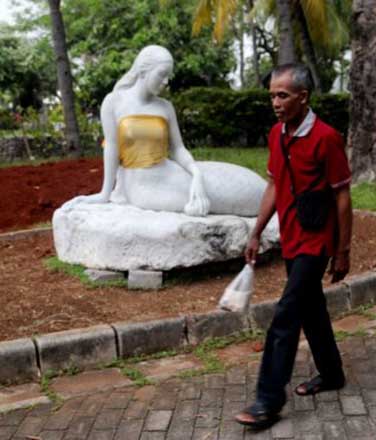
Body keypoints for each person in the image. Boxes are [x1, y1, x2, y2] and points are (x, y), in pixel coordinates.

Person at [234, 63, 353, 429]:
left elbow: (343, 197)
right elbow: (274, 185)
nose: (275, 102)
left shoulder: (326, 137)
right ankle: (332, 374)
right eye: (272, 94)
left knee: (286, 315)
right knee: (311, 308)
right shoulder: (277, 134)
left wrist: (343, 250)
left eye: (282, 95)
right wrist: (256, 232)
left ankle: (268, 399)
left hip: (316, 241)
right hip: (290, 236)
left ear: (303, 97)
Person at [70, 45, 266, 217]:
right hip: (142, 186)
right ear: (143, 70)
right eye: (161, 74)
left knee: (224, 180)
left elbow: (178, 148)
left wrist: (195, 171)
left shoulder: (165, 107)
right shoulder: (114, 102)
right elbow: (111, 147)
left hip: (170, 170)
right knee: (217, 197)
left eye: (168, 76)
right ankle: (265, 201)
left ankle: (269, 197)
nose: (166, 82)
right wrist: (105, 193)